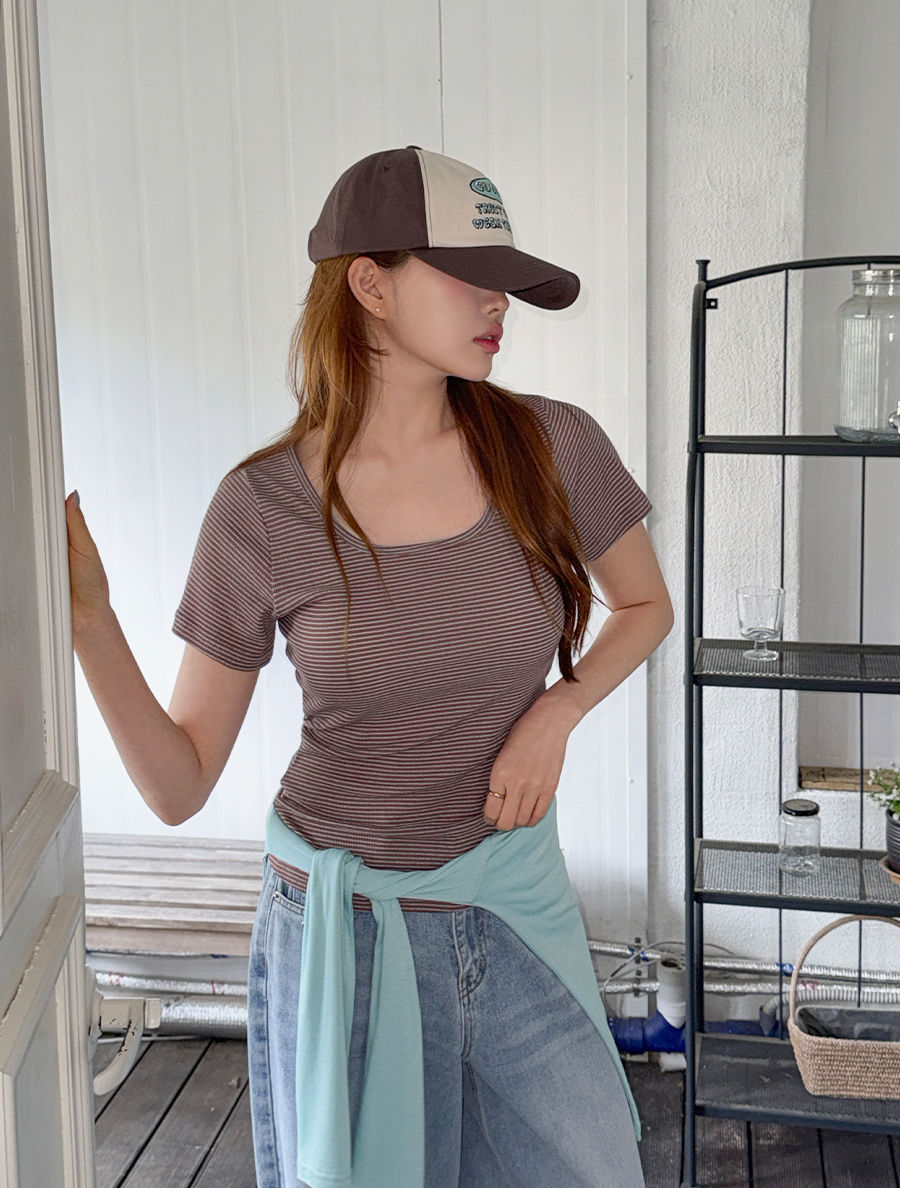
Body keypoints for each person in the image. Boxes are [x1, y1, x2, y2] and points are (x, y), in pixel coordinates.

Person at [66, 145, 673, 1188]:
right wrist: (88, 617)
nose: (499, 302)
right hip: (341, 938)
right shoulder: (264, 507)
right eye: (469, 276)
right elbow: (177, 783)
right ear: (370, 284)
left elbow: (646, 605)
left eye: (506, 280)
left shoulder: (555, 447)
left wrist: (555, 713)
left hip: (510, 911)